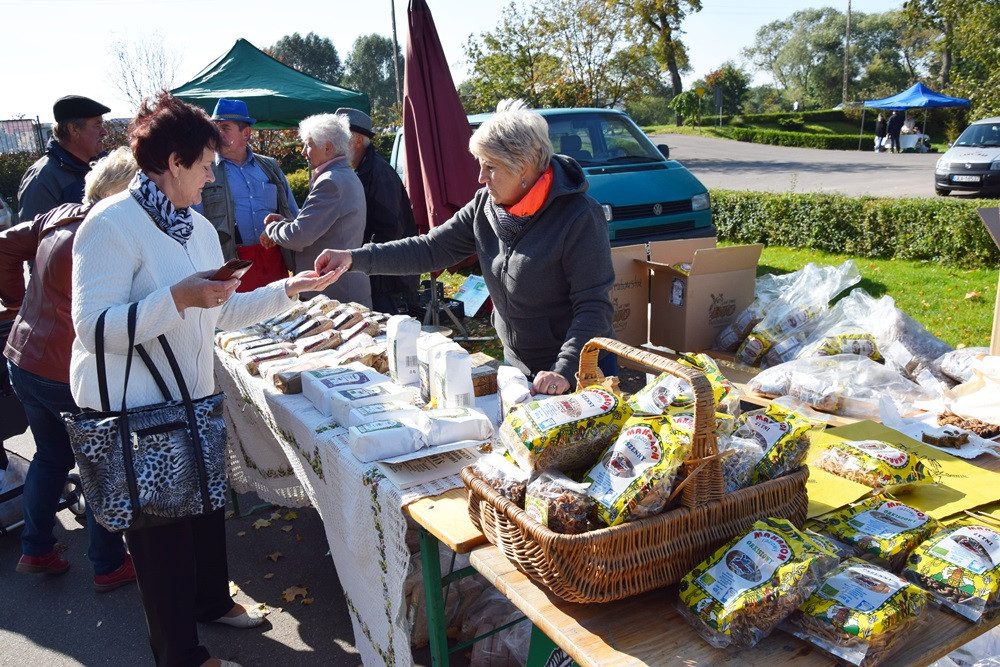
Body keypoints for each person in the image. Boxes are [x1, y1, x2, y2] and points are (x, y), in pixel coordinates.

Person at [69, 91, 339, 667]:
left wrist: (291, 291)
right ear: (173, 163)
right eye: (206, 165)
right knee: (161, 542)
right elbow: (93, 330)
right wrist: (176, 298)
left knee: (201, 514)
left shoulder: (192, 224)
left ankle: (212, 601)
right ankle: (180, 655)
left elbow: (218, 311)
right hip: (138, 413)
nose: (213, 176)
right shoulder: (109, 225)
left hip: (191, 401)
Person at [314, 100, 616, 396]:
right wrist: (353, 258)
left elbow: (593, 307)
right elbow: (428, 249)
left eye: (490, 167)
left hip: (580, 371)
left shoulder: (578, 216)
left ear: (522, 168)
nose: (481, 178)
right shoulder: (486, 205)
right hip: (520, 366)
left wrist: (564, 370)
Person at [1, 147, 137, 591]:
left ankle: (36, 547)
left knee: (51, 454)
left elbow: (4, 245)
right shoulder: (105, 233)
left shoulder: (58, 215)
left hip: (25, 358)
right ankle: (107, 562)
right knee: (100, 463)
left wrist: (17, 302)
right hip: (69, 371)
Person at [261, 113, 371, 307]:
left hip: (335, 295)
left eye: (308, 145)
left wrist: (272, 228)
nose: (303, 152)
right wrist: (285, 223)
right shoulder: (344, 176)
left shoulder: (330, 181)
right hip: (342, 289)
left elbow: (300, 236)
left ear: (327, 148)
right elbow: (320, 228)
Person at [194, 99, 299, 292]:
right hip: (230, 266)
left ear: (246, 133)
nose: (218, 135)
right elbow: (194, 225)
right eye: (214, 128)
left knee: (283, 319)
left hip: (274, 260)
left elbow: (292, 214)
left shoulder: (270, 167)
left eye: (225, 128)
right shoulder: (205, 170)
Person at [337, 107, 418, 314]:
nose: (337, 146)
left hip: (388, 279)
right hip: (378, 272)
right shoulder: (365, 168)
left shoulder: (378, 172)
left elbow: (391, 228)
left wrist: (362, 253)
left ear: (357, 140)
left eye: (341, 139)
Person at [17, 95, 110, 222]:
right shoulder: (42, 178)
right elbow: (35, 236)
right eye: (97, 125)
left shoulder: (105, 167)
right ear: (73, 129)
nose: (105, 132)